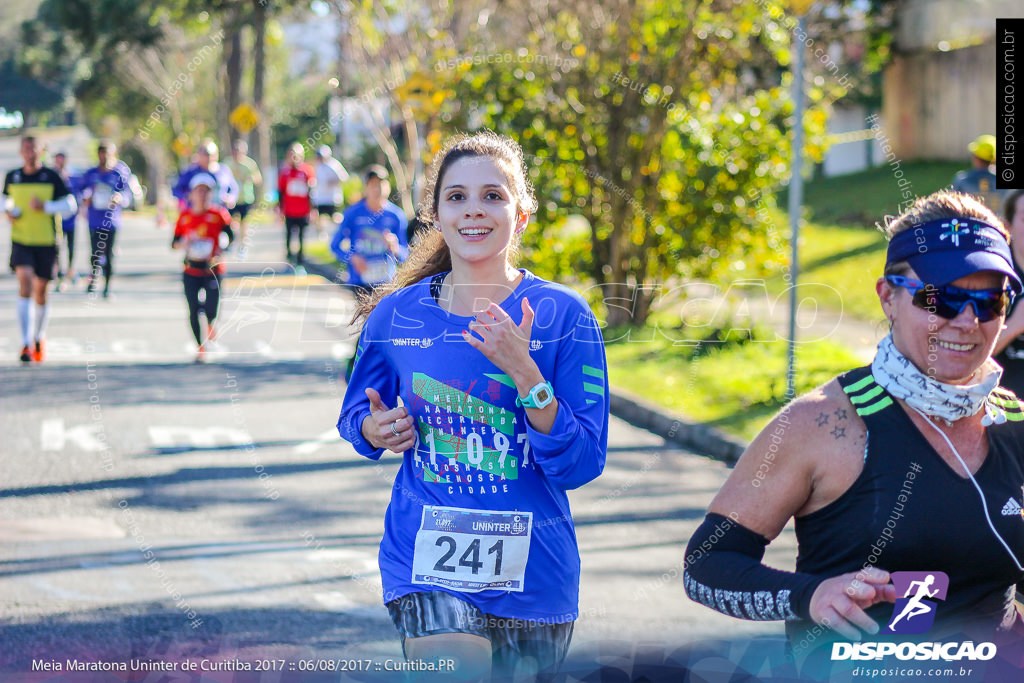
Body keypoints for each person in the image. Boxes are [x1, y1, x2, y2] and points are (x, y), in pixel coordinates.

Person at [684, 190, 1024, 669]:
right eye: (940, 297)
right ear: (888, 296)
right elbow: (705, 566)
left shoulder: (1013, 423)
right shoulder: (820, 424)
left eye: (990, 302)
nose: (967, 321)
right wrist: (811, 596)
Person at [336, 132, 609, 681]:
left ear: (522, 213)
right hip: (425, 559)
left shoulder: (563, 315)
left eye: (493, 195)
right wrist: (374, 427)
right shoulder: (397, 316)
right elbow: (353, 417)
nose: (474, 210)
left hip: (537, 570)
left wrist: (526, 372)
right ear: (436, 213)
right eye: (456, 197)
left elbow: (581, 463)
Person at [3, 136, 76, 363]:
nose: (30, 153)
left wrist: (46, 207)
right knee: (24, 281)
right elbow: (5, 200)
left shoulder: (52, 177)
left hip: (47, 242)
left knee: (41, 291)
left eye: (34, 149)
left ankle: (38, 337)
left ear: (42, 151)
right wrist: (8, 212)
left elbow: (70, 206)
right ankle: (25, 343)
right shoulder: (12, 176)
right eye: (26, 149)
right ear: (21, 151)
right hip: (21, 240)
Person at [171, 173, 233, 363]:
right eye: (199, 191)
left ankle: (211, 324)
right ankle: (200, 346)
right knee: (193, 309)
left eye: (206, 191)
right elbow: (174, 243)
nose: (203, 195)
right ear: (191, 194)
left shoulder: (219, 215)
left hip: (213, 269)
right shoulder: (185, 217)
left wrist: (222, 247)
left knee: (211, 308)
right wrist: (185, 243)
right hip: (191, 270)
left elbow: (231, 237)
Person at [329, 164, 408, 296]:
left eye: (381, 184)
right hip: (360, 282)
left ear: (388, 187)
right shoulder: (352, 214)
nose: (377, 189)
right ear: (366, 188)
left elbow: (406, 255)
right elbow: (334, 246)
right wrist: (352, 258)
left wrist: (395, 248)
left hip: (386, 282)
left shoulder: (396, 216)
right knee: (365, 317)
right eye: (373, 184)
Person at [80, 141, 132, 297]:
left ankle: (107, 287)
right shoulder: (91, 174)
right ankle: (93, 280)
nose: (104, 157)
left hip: (112, 221)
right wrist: (86, 198)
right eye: (102, 153)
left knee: (109, 254)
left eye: (108, 154)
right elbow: (80, 191)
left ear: (113, 154)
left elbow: (128, 194)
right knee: (95, 252)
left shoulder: (119, 173)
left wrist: (120, 198)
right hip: (94, 220)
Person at [994, 189, 1024, 396]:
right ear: (1008, 227)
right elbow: (963, 351)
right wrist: (1015, 325)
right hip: (1003, 405)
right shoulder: (993, 277)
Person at [172, 139, 239, 211]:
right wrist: (188, 196)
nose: (209, 157)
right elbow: (176, 190)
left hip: (218, 214)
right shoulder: (190, 172)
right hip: (196, 215)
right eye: (205, 154)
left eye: (211, 154)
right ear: (199, 154)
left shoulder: (224, 171)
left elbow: (234, 188)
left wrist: (231, 198)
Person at [277, 142, 315, 267]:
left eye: (297, 154)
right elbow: (281, 192)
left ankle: (300, 258)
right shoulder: (285, 172)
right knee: (289, 234)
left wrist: (313, 209)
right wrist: (280, 209)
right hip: (289, 210)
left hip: (303, 210)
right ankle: (289, 255)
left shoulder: (307, 171)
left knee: (301, 235)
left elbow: (312, 191)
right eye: (292, 154)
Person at [52, 151, 84, 291]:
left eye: (62, 160)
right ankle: (59, 275)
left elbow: (80, 193)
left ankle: (71, 270)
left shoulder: (73, 176)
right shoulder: (51, 176)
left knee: (71, 246)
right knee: (57, 247)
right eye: (57, 160)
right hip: (56, 219)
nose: (60, 163)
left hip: (71, 218)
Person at [225, 139, 262, 258]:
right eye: (235, 151)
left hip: (245, 198)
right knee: (229, 221)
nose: (237, 154)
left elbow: (258, 179)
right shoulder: (227, 163)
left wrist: (250, 178)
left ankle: (243, 247)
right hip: (231, 199)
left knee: (244, 223)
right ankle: (231, 241)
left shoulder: (249, 164)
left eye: (239, 151)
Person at [952, 134, 1007, 215]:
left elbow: (952, 204)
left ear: (976, 158)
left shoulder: (962, 180)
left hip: (972, 223)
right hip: (1000, 225)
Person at [311, 144, 349, 240]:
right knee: (319, 217)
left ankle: (343, 231)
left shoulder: (334, 165)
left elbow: (344, 178)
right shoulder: (318, 165)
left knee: (335, 217)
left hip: (332, 197)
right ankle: (322, 234)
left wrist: (332, 182)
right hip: (320, 197)